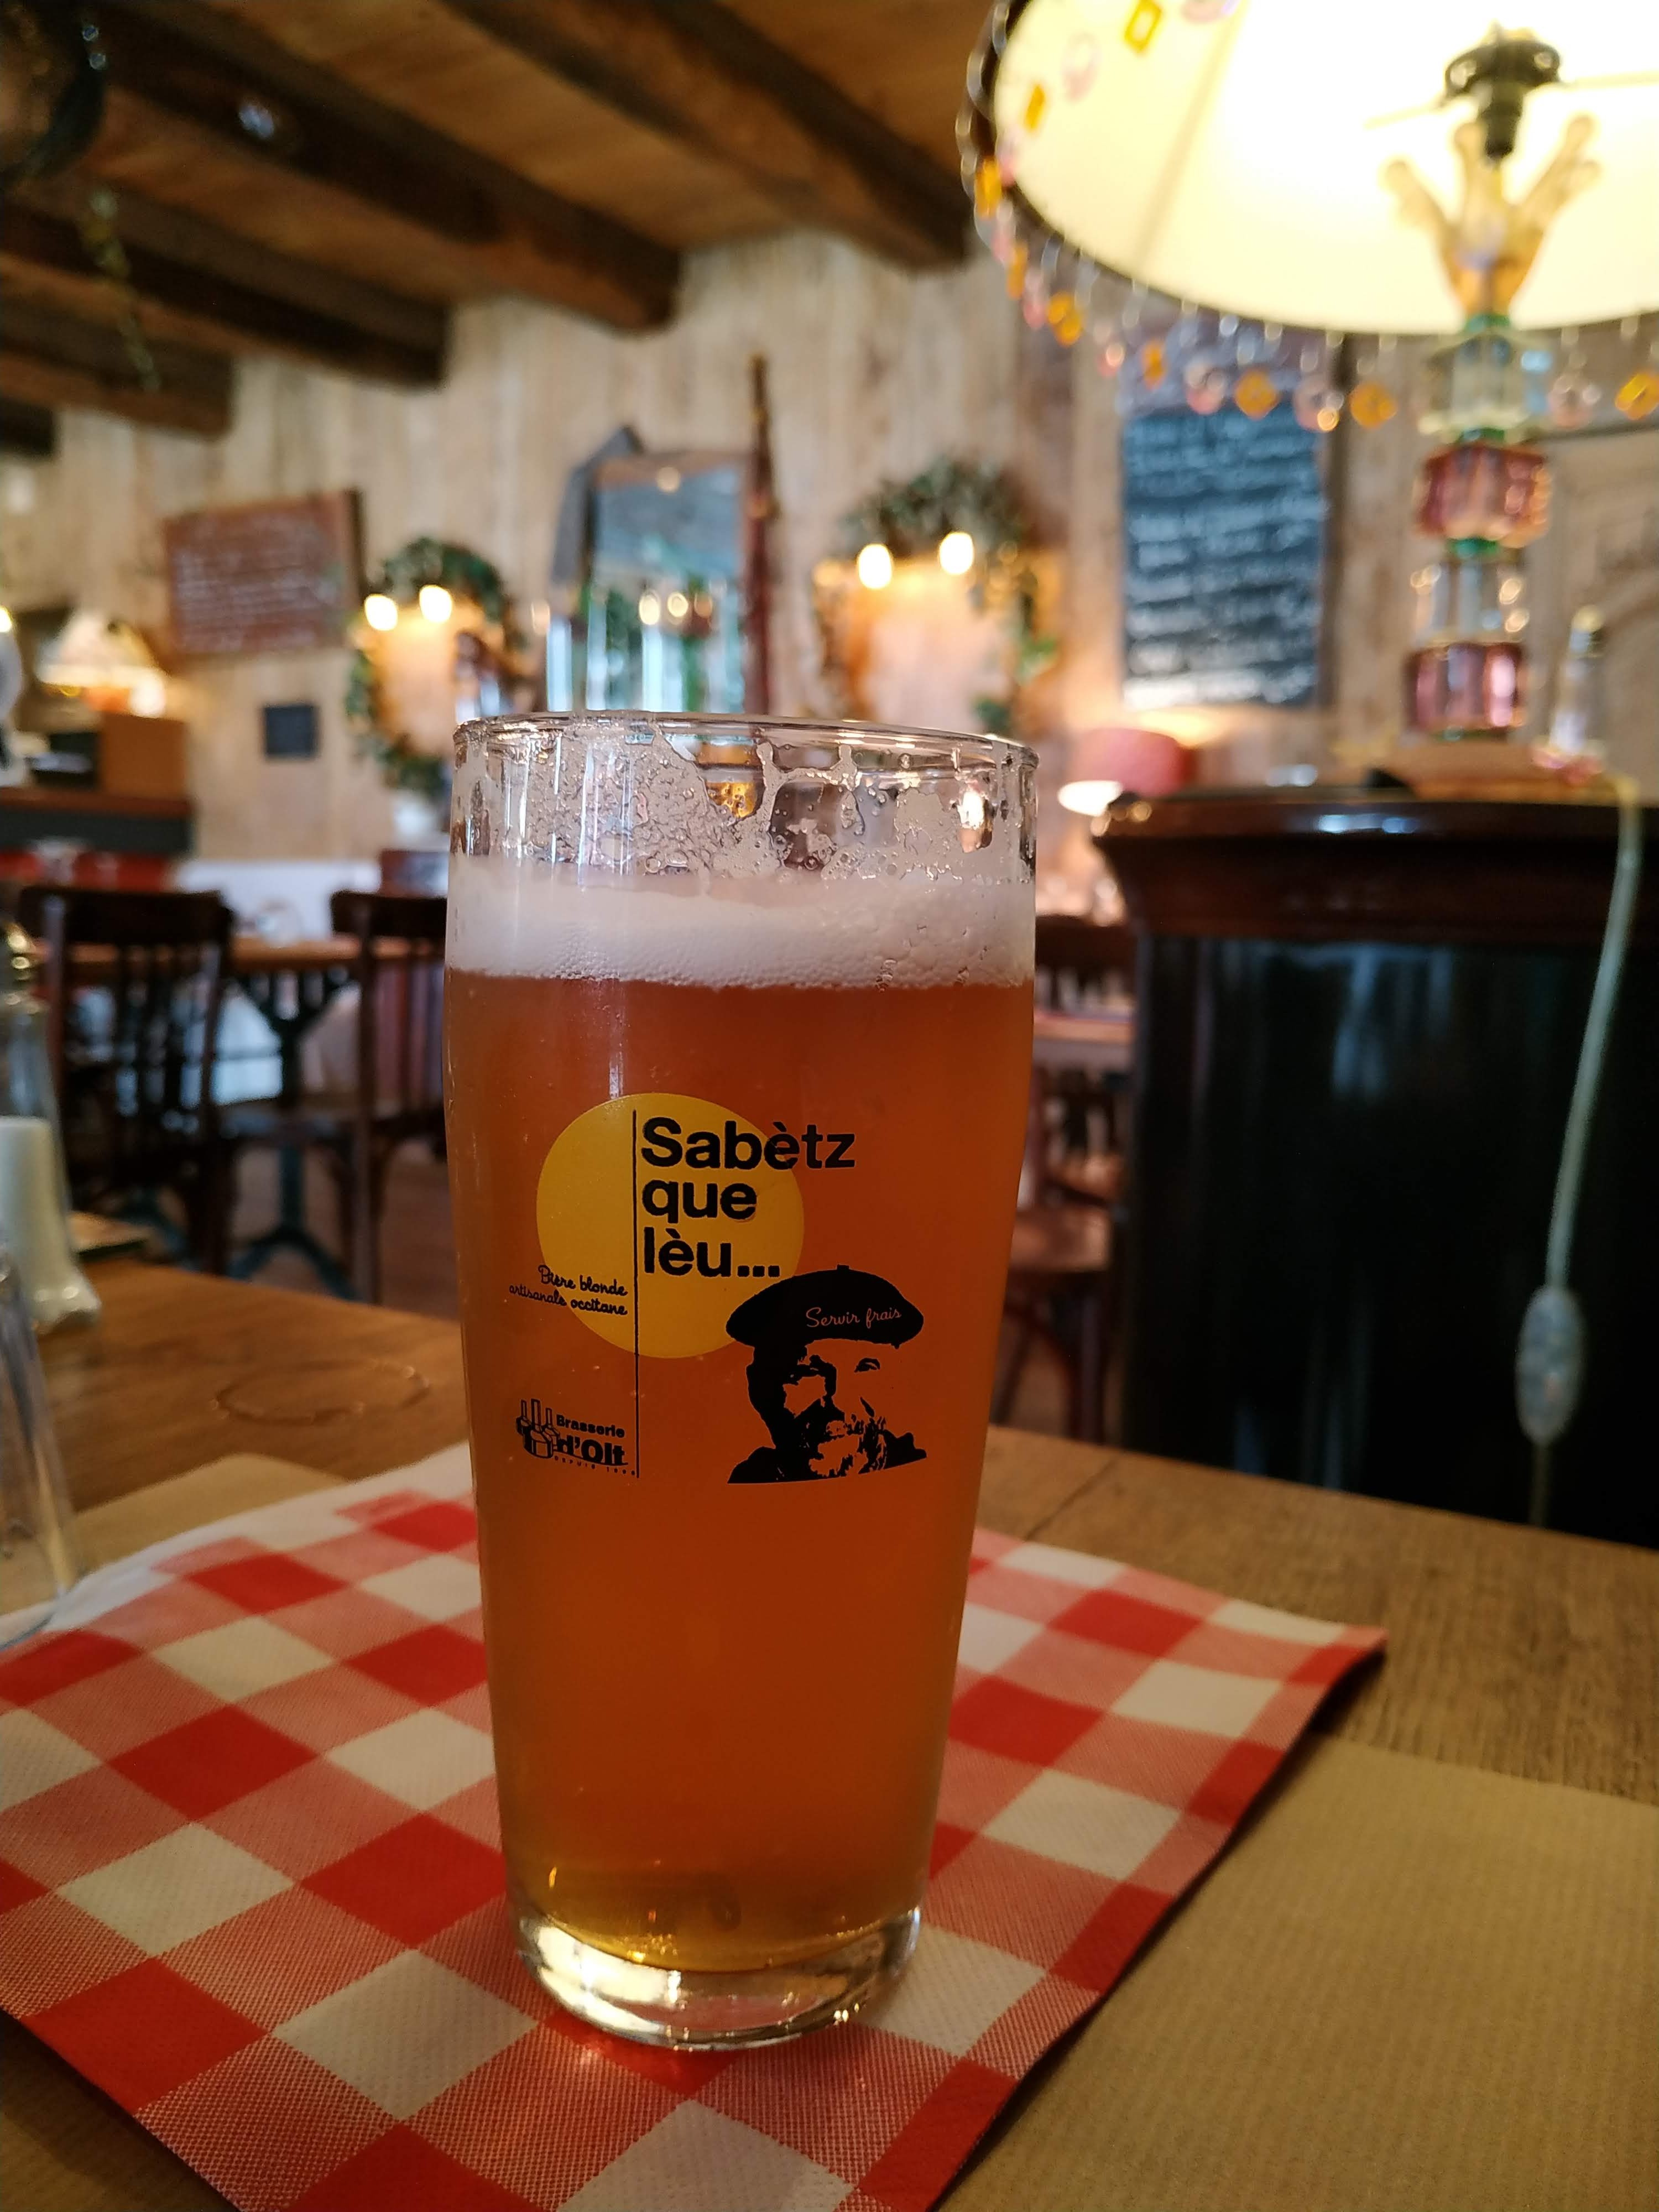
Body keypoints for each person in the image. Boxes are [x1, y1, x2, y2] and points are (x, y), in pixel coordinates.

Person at [726, 1264, 927, 1483]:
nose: (839, 1402)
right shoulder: (745, 1485)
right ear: (759, 1390)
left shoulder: (925, 1479)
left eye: (865, 1369)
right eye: (808, 1374)